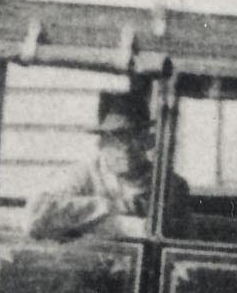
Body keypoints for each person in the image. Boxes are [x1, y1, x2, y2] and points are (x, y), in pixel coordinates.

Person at [27, 91, 183, 243]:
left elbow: (178, 241)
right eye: (115, 139)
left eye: (135, 137)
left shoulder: (171, 185)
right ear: (100, 144)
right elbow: (36, 216)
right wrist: (109, 206)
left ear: (149, 141)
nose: (126, 147)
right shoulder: (83, 175)